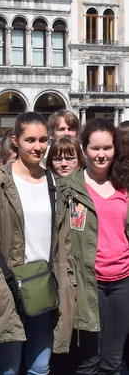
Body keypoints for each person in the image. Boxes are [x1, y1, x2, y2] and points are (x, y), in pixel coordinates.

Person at [0, 112, 75, 375]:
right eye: (30, 140)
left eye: (43, 140)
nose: (38, 147)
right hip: (8, 286)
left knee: (40, 367)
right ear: (15, 141)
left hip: (44, 285)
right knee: (8, 367)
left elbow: (63, 239)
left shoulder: (55, 182)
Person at [56, 118, 129, 374]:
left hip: (122, 282)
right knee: (88, 361)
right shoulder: (69, 187)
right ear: (84, 148)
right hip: (88, 281)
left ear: (115, 149)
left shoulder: (124, 185)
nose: (101, 155)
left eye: (107, 148)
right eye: (95, 148)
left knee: (113, 361)